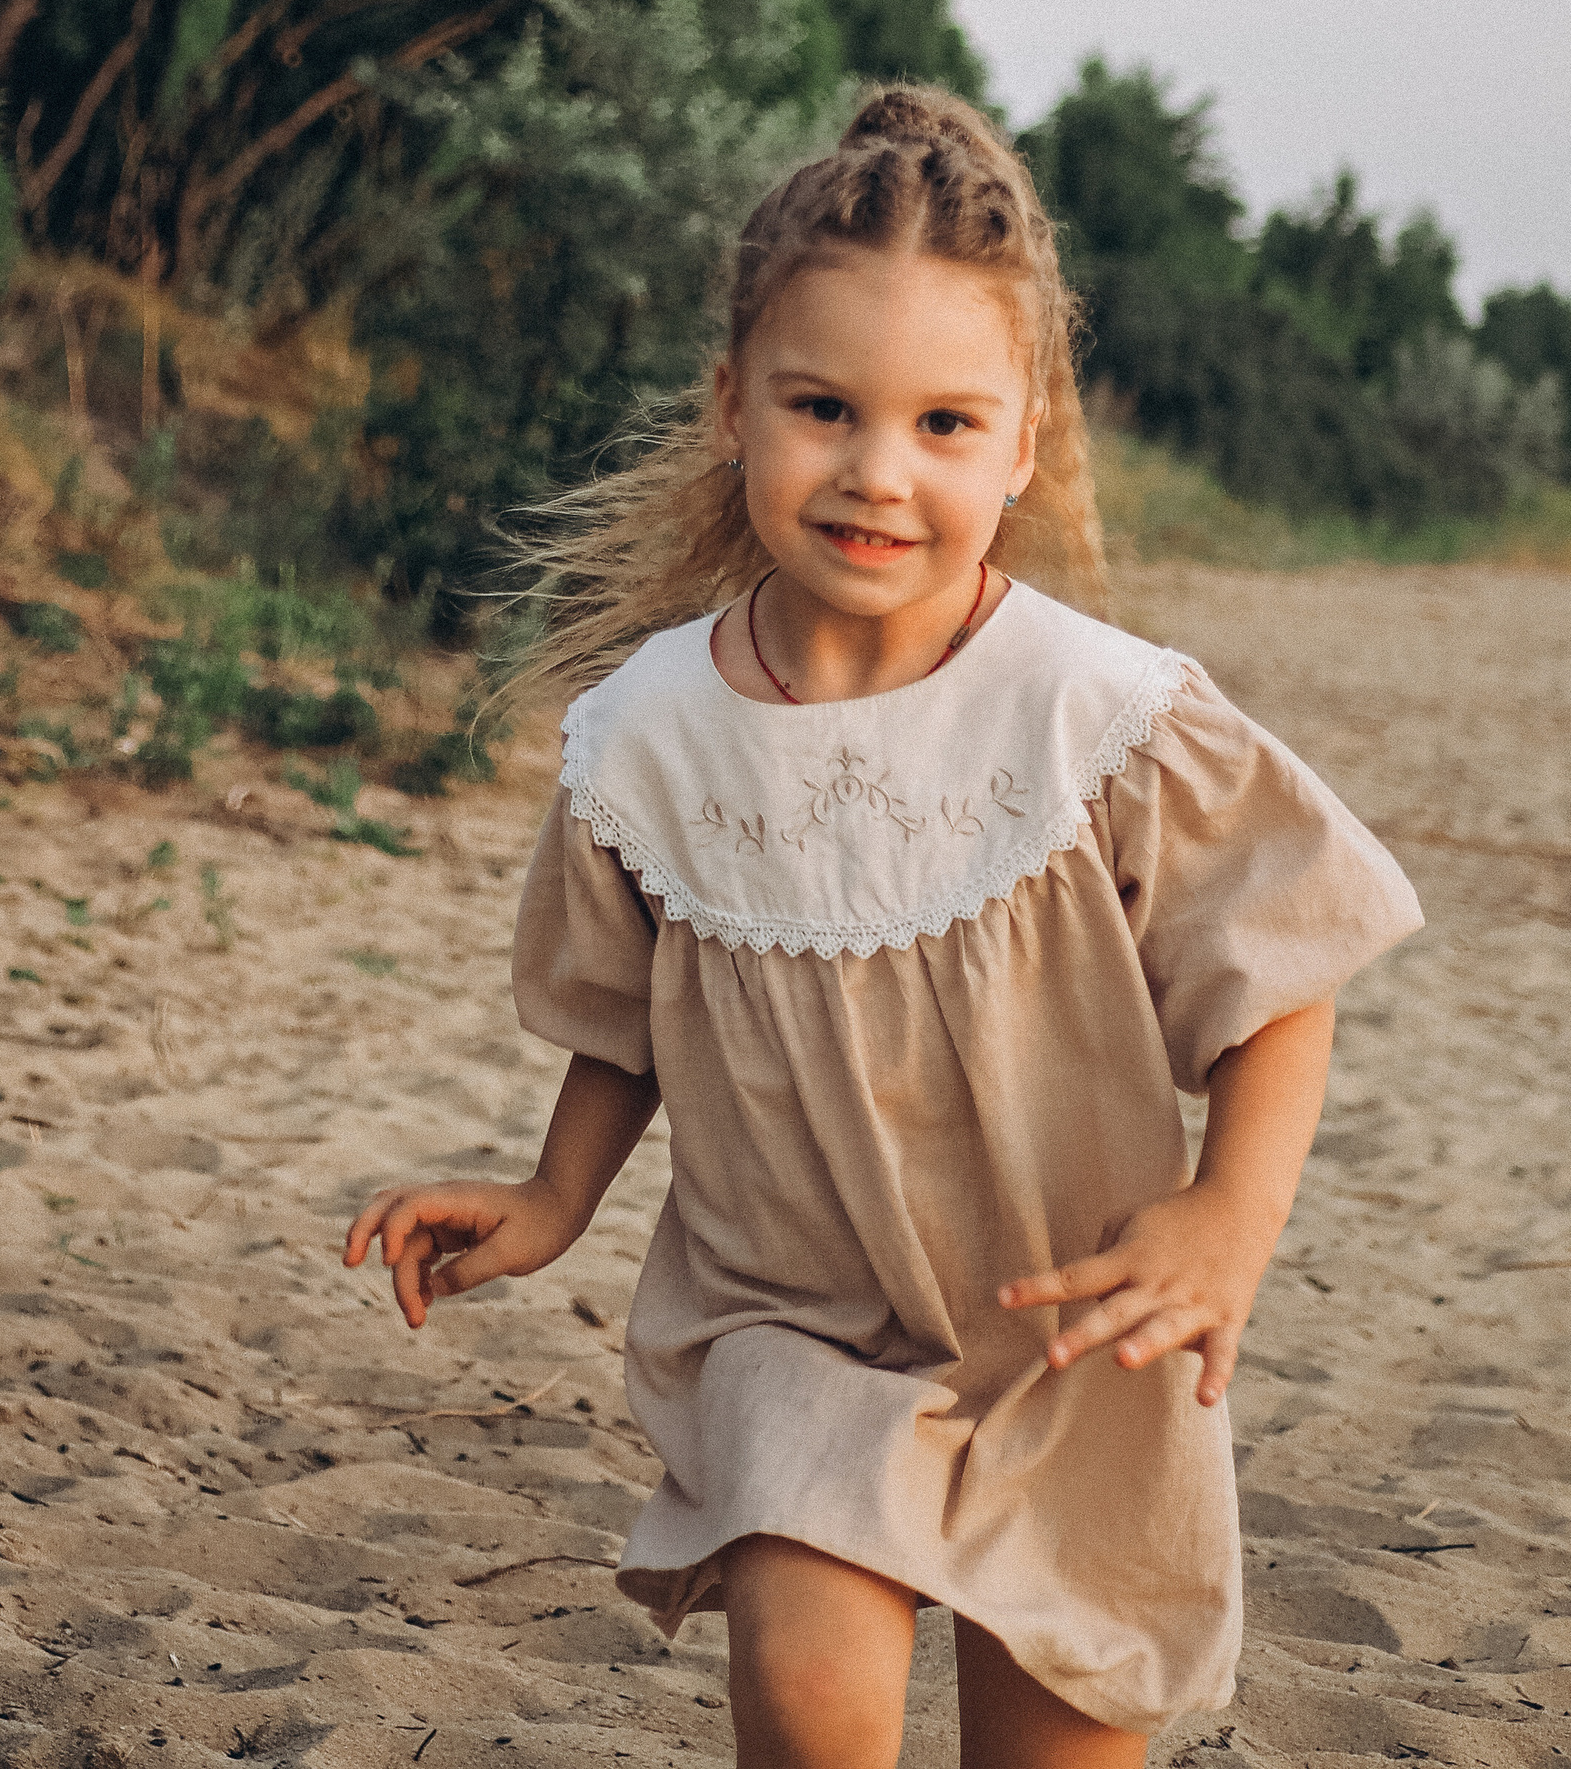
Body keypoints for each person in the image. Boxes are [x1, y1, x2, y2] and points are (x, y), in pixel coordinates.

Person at [343, 87, 1421, 1769]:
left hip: (1077, 1325)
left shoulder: (1096, 714)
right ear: (733, 403)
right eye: (824, 407)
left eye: (941, 424)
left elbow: (1283, 961)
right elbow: (630, 1010)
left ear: (1026, 435)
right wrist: (558, 1192)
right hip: (795, 1315)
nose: (875, 471)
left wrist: (1234, 1211)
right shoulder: (645, 733)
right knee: (810, 1695)